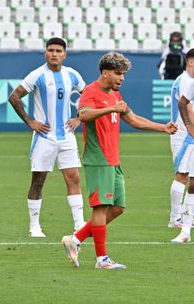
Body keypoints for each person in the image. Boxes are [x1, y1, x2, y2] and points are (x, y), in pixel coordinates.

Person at [61, 52, 177, 270]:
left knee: (117, 208)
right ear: (105, 72)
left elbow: (132, 119)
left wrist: (162, 128)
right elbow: (83, 115)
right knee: (101, 207)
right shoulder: (91, 92)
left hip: (113, 159)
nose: (122, 78)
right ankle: (101, 259)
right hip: (98, 159)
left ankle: (75, 240)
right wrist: (111, 108)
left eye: (123, 74)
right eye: (118, 73)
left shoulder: (115, 94)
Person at [8, 37, 86, 237]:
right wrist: (31, 122)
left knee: (73, 177)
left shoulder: (73, 75)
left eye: (58, 51)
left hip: (67, 136)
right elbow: (14, 97)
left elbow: (87, 97)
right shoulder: (37, 75)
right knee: (38, 181)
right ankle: (34, 226)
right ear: (45, 53)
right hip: (44, 137)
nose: (54, 54)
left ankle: (79, 225)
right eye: (50, 50)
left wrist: (79, 118)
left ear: (65, 54)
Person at [167, 49, 194, 232]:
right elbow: (188, 107)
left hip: (187, 134)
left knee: (191, 176)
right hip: (184, 134)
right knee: (182, 175)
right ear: (191, 61)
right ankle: (175, 217)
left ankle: (185, 215)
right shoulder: (185, 80)